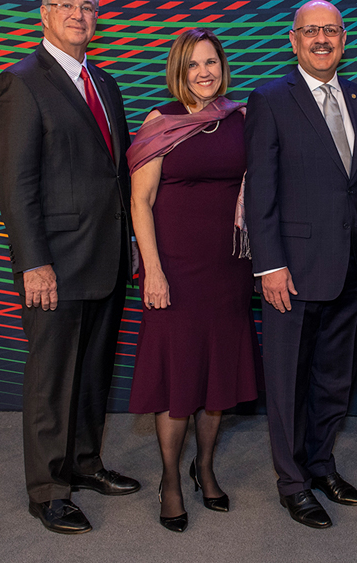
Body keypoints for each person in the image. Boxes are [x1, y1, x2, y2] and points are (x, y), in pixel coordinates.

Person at [0, 0, 139, 534]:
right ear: (45, 14)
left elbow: (113, 174)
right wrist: (33, 261)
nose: (79, 14)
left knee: (93, 371)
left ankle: (84, 462)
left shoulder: (104, 81)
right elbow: (15, 182)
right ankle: (48, 489)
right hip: (53, 263)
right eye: (67, 5)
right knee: (52, 377)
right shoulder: (20, 83)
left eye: (89, 7)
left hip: (106, 259)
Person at [244, 0, 357, 529]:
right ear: (293, 39)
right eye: (311, 31)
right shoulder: (271, 99)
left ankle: (321, 464)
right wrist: (269, 264)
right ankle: (293, 482)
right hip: (292, 269)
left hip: (353, 267)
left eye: (331, 30)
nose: (321, 39)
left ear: (344, 39)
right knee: (287, 380)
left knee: (334, 377)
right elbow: (261, 190)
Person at [127, 28, 258, 532]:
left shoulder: (240, 119)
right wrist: (153, 270)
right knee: (178, 379)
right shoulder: (161, 123)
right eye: (193, 65)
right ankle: (171, 479)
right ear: (178, 71)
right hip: (175, 271)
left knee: (217, 376)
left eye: (212, 63)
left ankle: (204, 468)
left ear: (223, 67)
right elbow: (140, 201)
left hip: (228, 269)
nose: (204, 73)